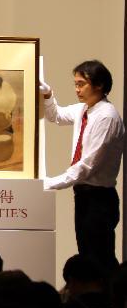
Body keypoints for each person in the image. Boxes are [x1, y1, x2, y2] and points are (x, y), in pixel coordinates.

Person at [41, 59, 124, 274]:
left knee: (100, 259)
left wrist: (51, 182)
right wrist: (48, 94)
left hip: (99, 198)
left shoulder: (106, 116)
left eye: (81, 84)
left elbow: (88, 165)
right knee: (88, 255)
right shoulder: (84, 110)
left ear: (99, 85)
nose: (77, 89)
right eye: (75, 84)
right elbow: (56, 116)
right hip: (85, 195)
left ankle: (109, 305)